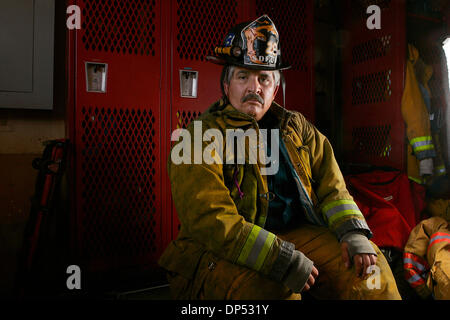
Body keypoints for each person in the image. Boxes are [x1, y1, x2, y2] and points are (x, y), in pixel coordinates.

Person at [158, 15, 401, 300]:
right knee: (273, 290)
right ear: (226, 86)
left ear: (275, 89)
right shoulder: (198, 137)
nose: (254, 88)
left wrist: (353, 232)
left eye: (264, 79)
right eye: (242, 77)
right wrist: (278, 258)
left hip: (296, 236)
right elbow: (211, 219)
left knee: (372, 275)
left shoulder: (297, 128)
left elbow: (332, 186)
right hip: (220, 251)